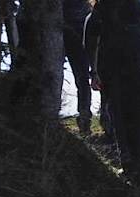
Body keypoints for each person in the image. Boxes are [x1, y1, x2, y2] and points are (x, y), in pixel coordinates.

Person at [89, 0, 140, 185]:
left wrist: (100, 80)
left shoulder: (118, 37)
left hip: (130, 94)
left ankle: (136, 179)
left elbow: (108, 66)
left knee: (133, 136)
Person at [62, 0, 94, 135]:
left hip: (82, 34)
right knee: (83, 79)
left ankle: (85, 117)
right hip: (74, 35)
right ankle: (85, 117)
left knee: (83, 79)